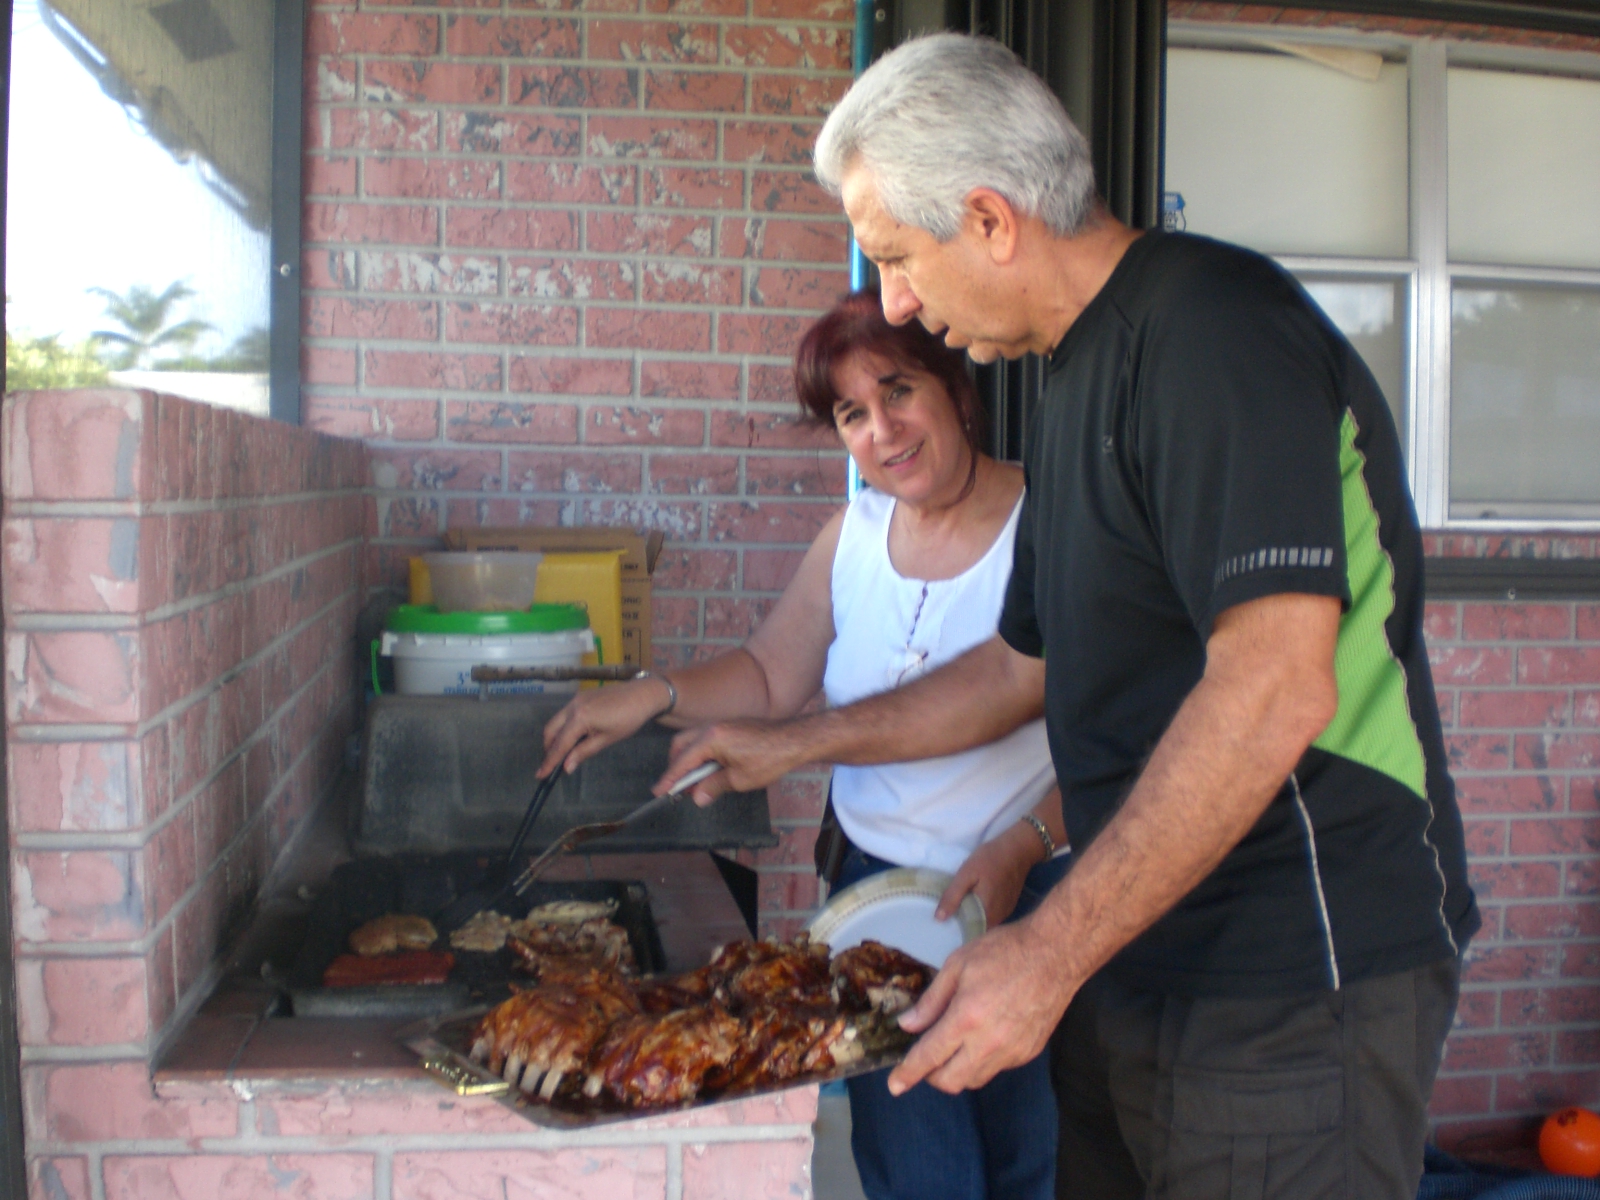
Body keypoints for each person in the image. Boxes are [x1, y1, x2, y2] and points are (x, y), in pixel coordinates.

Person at [653, 32, 1480, 1200]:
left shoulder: (1213, 332)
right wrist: (786, 745)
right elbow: (1014, 673)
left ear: (990, 221)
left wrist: (1045, 950)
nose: (898, 299)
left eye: (897, 258)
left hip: (1291, 974)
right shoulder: (1074, 382)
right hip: (1136, 954)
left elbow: (1272, 685)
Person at [539, 287, 1070, 1200]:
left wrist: (1027, 845)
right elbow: (768, 673)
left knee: (1036, 1165)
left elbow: (1107, 739)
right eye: (852, 415)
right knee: (921, 1175)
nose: (882, 432)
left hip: (1025, 890)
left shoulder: (1054, 526)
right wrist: (652, 694)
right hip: (875, 904)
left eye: (898, 393)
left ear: (955, 388)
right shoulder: (852, 536)